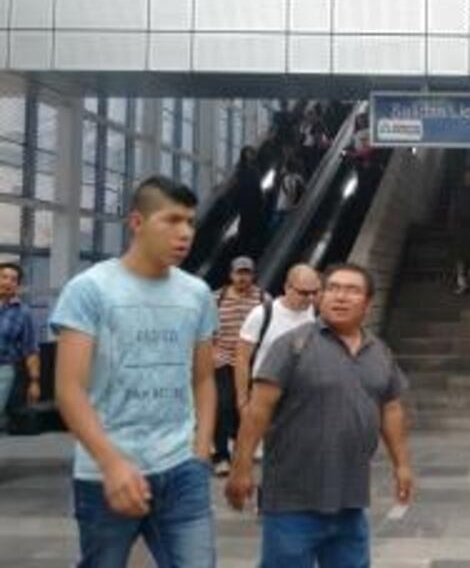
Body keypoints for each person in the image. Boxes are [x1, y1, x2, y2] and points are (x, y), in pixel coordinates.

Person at [51, 176, 218, 567]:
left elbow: (204, 377)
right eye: (172, 220)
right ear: (137, 223)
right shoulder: (89, 290)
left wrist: (200, 450)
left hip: (181, 470)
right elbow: (69, 390)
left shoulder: (196, 294)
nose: (185, 233)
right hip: (105, 473)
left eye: (190, 222)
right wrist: (111, 463)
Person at [226, 263, 413, 567]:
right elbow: (258, 411)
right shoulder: (292, 346)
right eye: (333, 289)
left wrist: (402, 465)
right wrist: (241, 468)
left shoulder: (379, 351)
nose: (341, 297)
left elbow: (390, 408)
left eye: (352, 291)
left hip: (351, 500)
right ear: (320, 297)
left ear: (368, 303)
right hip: (292, 501)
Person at [211, 256, 269, 476]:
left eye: (247, 273)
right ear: (231, 274)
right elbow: (206, 329)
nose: (243, 277)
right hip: (224, 359)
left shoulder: (263, 298)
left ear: (253, 275)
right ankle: (221, 456)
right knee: (222, 405)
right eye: (239, 273)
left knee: (249, 405)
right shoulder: (216, 298)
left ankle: (243, 443)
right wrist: (212, 353)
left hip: (252, 361)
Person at [234, 264, 320, 408]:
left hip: (296, 399)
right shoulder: (262, 314)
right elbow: (242, 358)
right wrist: (242, 401)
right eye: (304, 293)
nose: (310, 298)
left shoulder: (316, 314)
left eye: (314, 292)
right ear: (287, 287)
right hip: (260, 393)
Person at [0, 262, 40, 431]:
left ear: (18, 285)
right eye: (4, 277)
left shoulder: (24, 313)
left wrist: (34, 382)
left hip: (3, 370)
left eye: (13, 279)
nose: (8, 282)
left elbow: (31, 349)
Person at [235, 145, 265, 258]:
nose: (249, 155)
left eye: (251, 153)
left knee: (251, 225)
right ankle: (243, 249)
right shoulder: (242, 169)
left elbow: (258, 186)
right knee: (245, 225)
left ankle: (248, 249)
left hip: (253, 201)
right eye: (247, 153)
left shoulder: (254, 168)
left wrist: (261, 199)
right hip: (246, 202)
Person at [272, 152, 306, 233]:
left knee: (276, 221)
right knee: (282, 221)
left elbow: (284, 188)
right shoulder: (297, 178)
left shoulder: (288, 177)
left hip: (283, 205)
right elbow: (301, 191)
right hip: (288, 205)